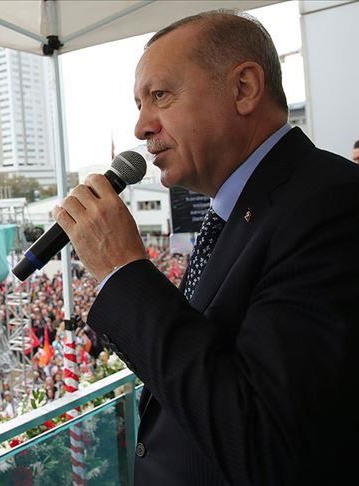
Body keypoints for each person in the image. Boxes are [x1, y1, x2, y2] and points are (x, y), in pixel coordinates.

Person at [51, 10, 359, 485]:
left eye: (160, 95)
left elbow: (265, 443)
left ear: (244, 89)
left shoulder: (329, 205)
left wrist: (125, 271)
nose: (141, 127)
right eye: (139, 104)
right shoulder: (239, 212)